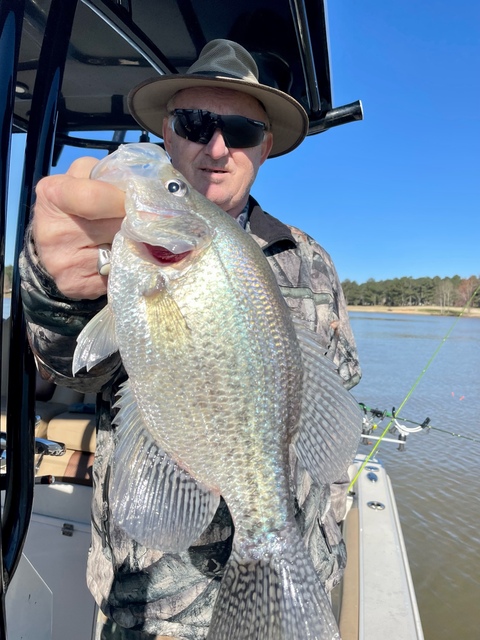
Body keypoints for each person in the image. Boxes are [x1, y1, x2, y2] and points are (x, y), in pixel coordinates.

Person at [20, 39, 361, 640]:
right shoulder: (116, 248)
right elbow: (68, 365)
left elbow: (335, 417)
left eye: (242, 130)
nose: (218, 147)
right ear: (168, 134)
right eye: (197, 123)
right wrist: (53, 281)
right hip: (154, 612)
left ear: (267, 145)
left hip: (292, 578)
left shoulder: (313, 262)